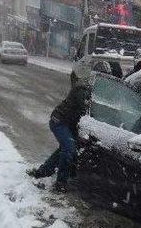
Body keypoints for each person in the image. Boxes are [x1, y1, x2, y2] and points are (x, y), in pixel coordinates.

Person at [27, 62, 111, 192]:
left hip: (69, 124)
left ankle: (42, 172)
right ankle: (60, 183)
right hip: (59, 121)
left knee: (64, 148)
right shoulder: (83, 89)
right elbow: (87, 111)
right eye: (103, 78)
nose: (105, 82)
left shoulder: (95, 91)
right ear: (95, 77)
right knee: (69, 148)